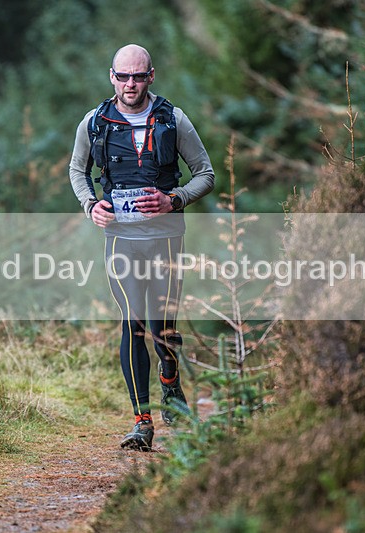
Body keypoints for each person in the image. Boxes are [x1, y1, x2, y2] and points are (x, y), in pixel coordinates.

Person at [69, 44, 215, 451]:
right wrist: (90, 204)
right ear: (111, 76)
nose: (130, 83)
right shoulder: (95, 122)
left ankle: (170, 382)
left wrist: (174, 199)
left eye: (138, 76)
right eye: (123, 76)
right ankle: (141, 421)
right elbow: (76, 170)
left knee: (162, 325)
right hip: (120, 241)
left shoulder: (173, 119)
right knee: (132, 323)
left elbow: (205, 174)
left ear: (151, 76)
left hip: (166, 238)